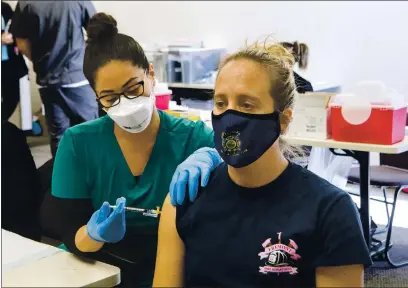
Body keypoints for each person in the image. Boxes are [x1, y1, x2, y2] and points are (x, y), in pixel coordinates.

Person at [153, 40, 372, 287]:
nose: (230, 117)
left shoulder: (329, 211)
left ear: (284, 120)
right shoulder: (187, 198)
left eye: (247, 104)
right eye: (221, 103)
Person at [41, 13, 222, 288]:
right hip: (100, 266)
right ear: (97, 98)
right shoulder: (78, 143)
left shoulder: (193, 139)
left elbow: (240, 186)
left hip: (176, 265)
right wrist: (94, 235)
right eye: (110, 97)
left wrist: (217, 157)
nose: (125, 104)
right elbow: (69, 231)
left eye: (133, 88)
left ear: (150, 74)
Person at [9, 1, 99, 157]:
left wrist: (40, 62)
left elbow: (22, 43)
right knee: (90, 134)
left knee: (59, 137)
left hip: (47, 81)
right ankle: (94, 179)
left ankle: (64, 179)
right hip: (77, 78)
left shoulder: (25, 3)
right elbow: (99, 32)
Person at [1, 1, 28, 121]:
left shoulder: (5, 7)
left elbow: (17, 28)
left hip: (8, 62)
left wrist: (12, 36)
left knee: (12, 98)